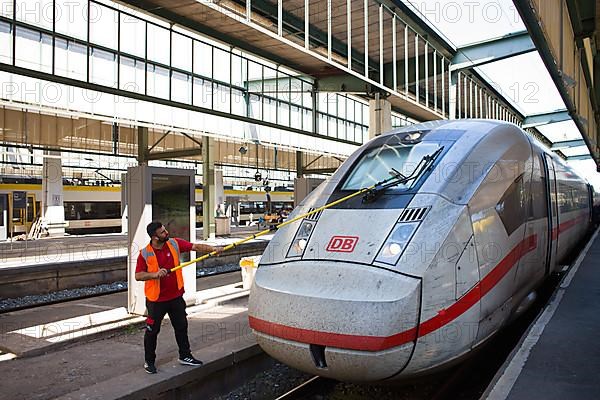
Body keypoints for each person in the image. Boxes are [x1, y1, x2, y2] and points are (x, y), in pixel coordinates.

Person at [135, 221, 221, 374]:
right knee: (152, 331)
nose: (166, 233)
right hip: (156, 301)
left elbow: (194, 246)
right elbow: (138, 275)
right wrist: (154, 274)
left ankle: (185, 355)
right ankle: (149, 361)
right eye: (162, 232)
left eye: (165, 230)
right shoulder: (144, 254)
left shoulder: (174, 243)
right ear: (154, 237)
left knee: (181, 327)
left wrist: (213, 249)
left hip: (176, 297)